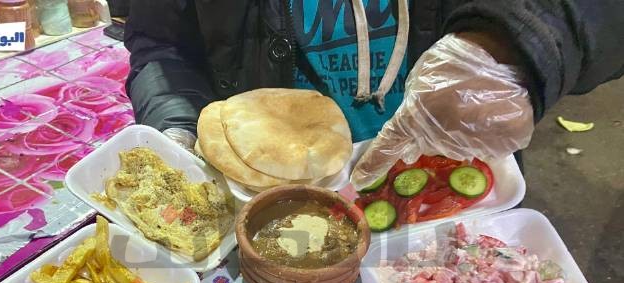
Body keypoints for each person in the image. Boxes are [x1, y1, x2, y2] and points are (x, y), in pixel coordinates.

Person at [124, 0, 624, 189]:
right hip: (264, 194)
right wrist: (177, 126)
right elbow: (163, 45)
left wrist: (519, 44)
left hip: (440, 178)